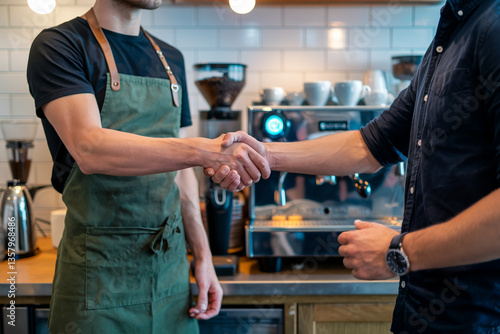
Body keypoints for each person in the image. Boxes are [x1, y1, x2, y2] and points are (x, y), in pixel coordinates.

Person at [207, 0, 500, 332]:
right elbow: (368, 144)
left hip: (479, 318)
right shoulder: (451, 35)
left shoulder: (493, 25)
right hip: (423, 314)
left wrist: (399, 251)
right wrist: (266, 154)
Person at [26, 0, 269, 332]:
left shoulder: (171, 60)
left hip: (169, 276)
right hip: (98, 279)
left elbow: (182, 175)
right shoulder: (60, 45)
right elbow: (90, 148)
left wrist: (203, 256)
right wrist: (204, 150)